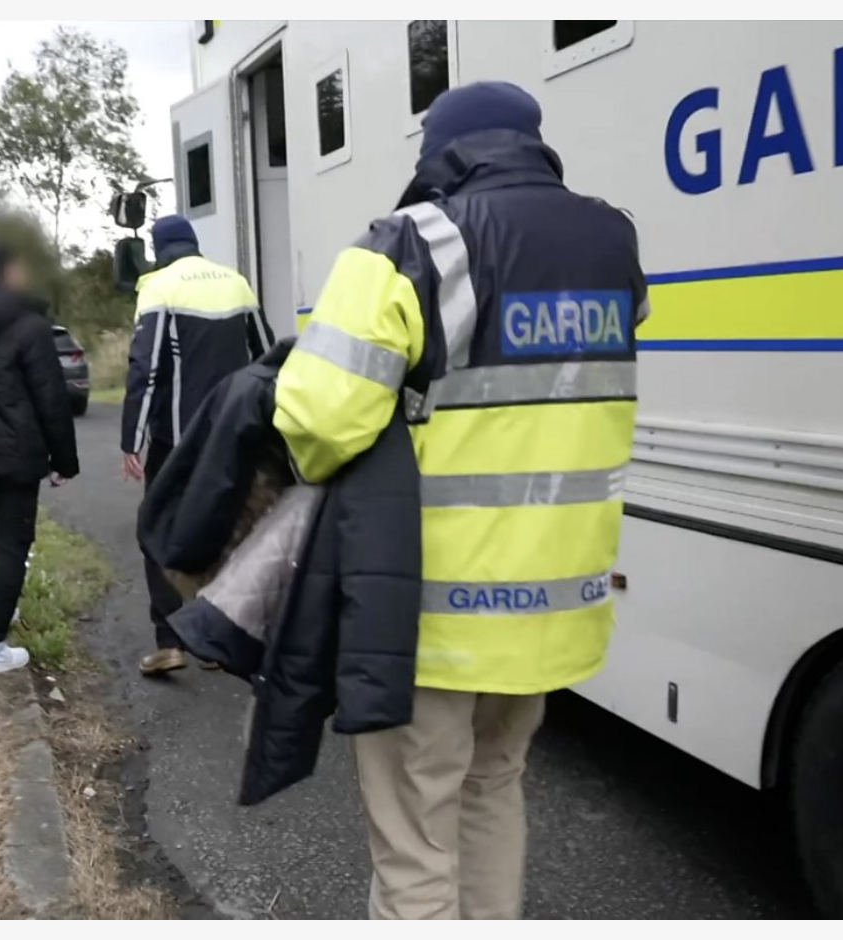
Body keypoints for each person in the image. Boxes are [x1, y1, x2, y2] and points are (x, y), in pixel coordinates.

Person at [274, 82, 648, 919]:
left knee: (415, 837)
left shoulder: (412, 244)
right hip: (558, 602)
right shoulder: (612, 239)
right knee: (493, 790)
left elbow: (316, 419)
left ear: (439, 154)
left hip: (432, 616)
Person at [122, 215, 273, 676]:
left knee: (159, 527)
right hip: (235, 433)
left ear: (158, 247)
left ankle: (171, 642)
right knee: (234, 527)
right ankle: (219, 638)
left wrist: (133, 437)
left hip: (178, 440)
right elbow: (266, 357)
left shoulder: (158, 286)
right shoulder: (236, 283)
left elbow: (145, 369)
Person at [0, 245, 79, 675]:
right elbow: (51, 397)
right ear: (7, 274)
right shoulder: (29, 326)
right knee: (12, 544)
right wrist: (65, 459)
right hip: (17, 454)